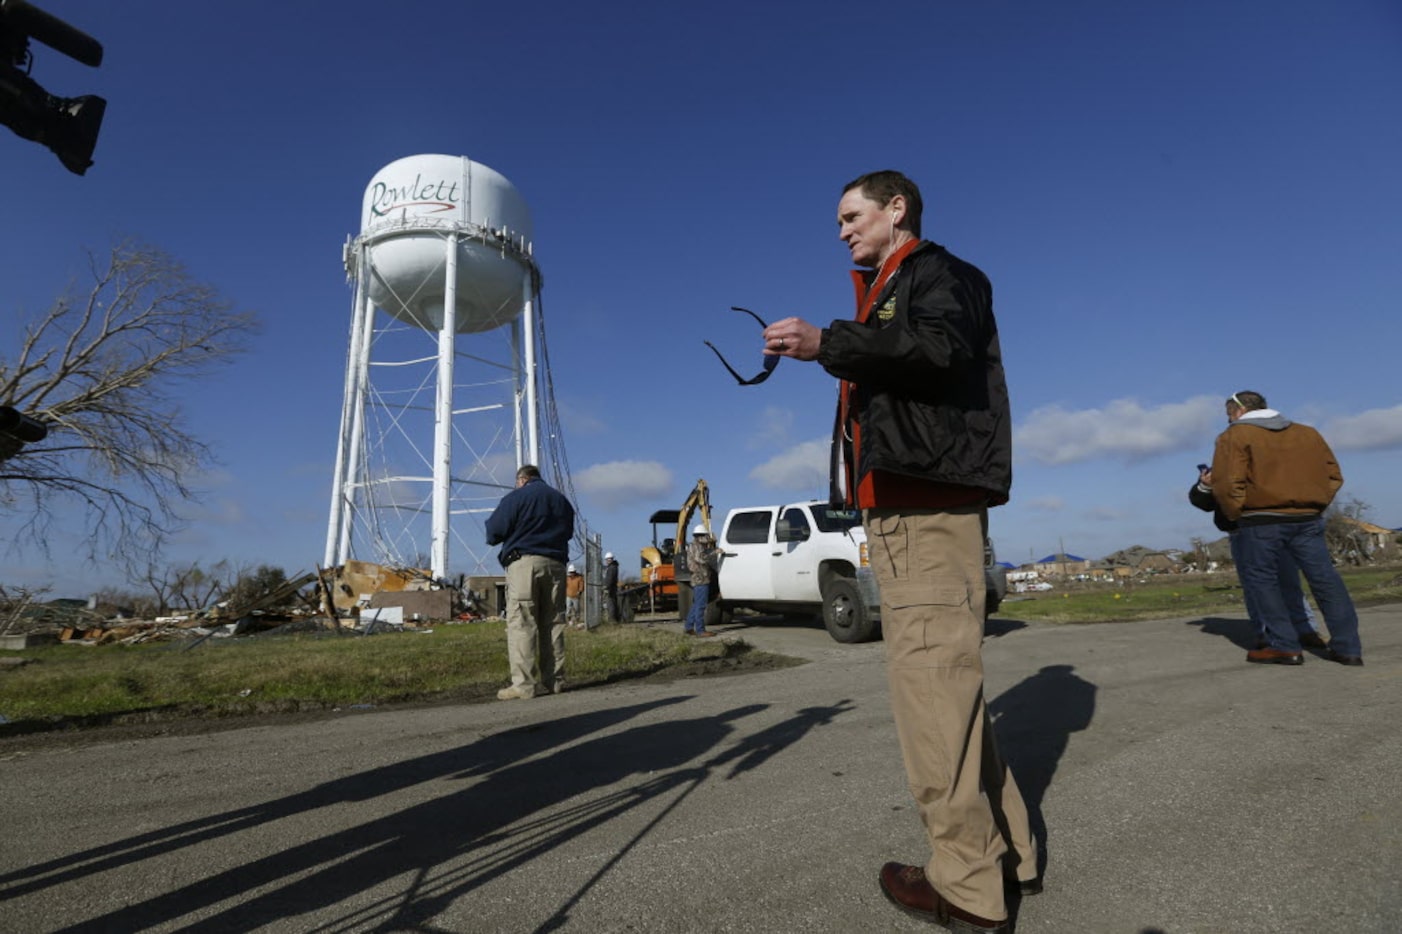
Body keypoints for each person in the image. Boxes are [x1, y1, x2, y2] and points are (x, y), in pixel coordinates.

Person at [761, 170, 1035, 933]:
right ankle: (1009, 855)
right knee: (953, 693)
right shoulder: (886, 285)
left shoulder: (938, 274)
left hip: (926, 507)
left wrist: (828, 343)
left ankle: (968, 890)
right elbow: (902, 360)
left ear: (896, 209)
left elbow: (939, 349)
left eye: (852, 215)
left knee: (931, 700)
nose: (842, 230)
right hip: (910, 506)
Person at [1210, 391, 1363, 666]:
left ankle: (1284, 645)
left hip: (1260, 519)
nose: (1228, 419)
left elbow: (1226, 482)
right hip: (1307, 518)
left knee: (1263, 582)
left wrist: (1238, 514)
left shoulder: (1234, 435)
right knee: (1326, 579)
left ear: (1239, 410)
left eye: (1229, 414)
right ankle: (1348, 647)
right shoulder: (1308, 433)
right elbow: (1332, 474)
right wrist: (1315, 503)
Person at [1188, 466, 1325, 649]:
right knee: (1255, 588)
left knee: (1288, 582)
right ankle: (1265, 632)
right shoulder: (1222, 471)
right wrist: (1205, 485)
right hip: (1241, 532)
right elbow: (1203, 503)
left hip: (1275, 528)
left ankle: (1305, 630)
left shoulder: (1265, 463)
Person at [484, 465, 575, 699]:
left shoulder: (517, 497)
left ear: (522, 479)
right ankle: (555, 680)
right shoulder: (561, 501)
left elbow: (494, 531)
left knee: (522, 622)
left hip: (525, 563)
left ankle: (523, 685)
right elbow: (568, 533)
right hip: (556, 563)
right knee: (553, 622)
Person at [683, 524, 718, 637]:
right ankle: (700, 630)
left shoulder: (693, 545)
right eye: (706, 536)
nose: (707, 538)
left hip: (697, 578)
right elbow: (701, 559)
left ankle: (689, 627)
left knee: (696, 604)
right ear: (701, 536)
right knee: (701, 605)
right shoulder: (698, 547)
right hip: (701, 578)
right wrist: (714, 552)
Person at [565, 564, 585, 630]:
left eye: (572, 572)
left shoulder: (579, 578)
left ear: (575, 571)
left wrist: (579, 591)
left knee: (577, 609)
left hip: (576, 597)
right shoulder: (567, 578)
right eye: (570, 572)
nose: (571, 573)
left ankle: (577, 621)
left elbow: (581, 586)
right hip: (568, 596)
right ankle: (570, 621)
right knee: (568, 609)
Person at [602, 552, 620, 622]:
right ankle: (614, 618)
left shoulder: (611, 568)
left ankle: (612, 620)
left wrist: (606, 587)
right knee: (612, 603)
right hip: (612, 588)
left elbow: (610, 579)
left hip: (611, 589)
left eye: (607, 560)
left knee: (611, 604)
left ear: (609, 560)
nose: (606, 561)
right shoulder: (613, 567)